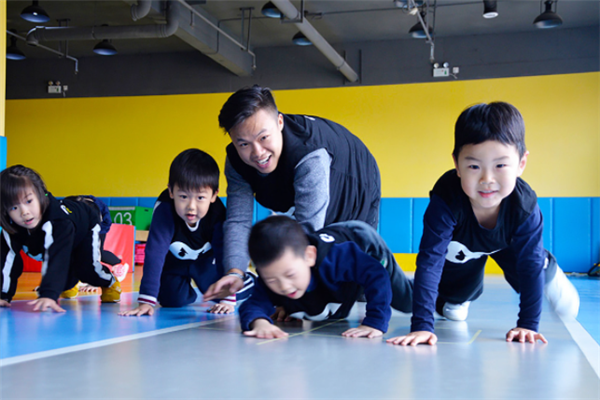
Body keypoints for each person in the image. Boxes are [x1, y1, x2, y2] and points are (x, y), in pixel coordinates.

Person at [387, 102, 580, 346]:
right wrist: (422, 326)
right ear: (457, 165)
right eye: (474, 166)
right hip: (463, 247)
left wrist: (528, 325)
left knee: (534, 270)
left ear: (521, 163)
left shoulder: (523, 207)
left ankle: (549, 269)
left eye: (500, 165)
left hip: (509, 243)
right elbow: (430, 261)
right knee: (451, 305)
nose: (487, 179)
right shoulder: (446, 201)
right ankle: (456, 299)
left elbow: (529, 265)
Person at [204, 85, 381, 302]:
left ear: (280, 122)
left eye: (263, 137)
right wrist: (235, 272)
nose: (257, 152)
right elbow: (238, 220)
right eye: (244, 144)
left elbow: (309, 228)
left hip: (356, 174)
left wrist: (288, 300)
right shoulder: (236, 161)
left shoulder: (310, 156)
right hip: (312, 171)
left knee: (351, 279)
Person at [119, 149, 254, 317]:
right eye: (183, 196)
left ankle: (249, 280)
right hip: (175, 263)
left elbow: (222, 252)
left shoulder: (217, 214)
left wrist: (228, 298)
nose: (191, 206)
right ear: (171, 191)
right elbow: (155, 252)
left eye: (200, 198)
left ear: (214, 195)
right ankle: (185, 291)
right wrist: (146, 301)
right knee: (171, 300)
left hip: (206, 263)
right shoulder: (165, 209)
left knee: (217, 293)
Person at [238, 215, 413, 339]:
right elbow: (253, 304)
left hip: (363, 242)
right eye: (271, 280)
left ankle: (428, 282)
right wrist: (260, 322)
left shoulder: (335, 260)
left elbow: (376, 275)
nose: (283, 286)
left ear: (309, 256)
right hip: (330, 253)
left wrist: (374, 322)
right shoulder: (276, 273)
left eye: (290, 275)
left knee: (406, 301)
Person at [0, 165, 121, 311]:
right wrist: (3, 295)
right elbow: (6, 261)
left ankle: (110, 282)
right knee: (65, 283)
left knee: (88, 270)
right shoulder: (12, 226)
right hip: (64, 234)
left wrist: (49, 294)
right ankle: (70, 283)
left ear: (41, 194)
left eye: (29, 201)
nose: (24, 212)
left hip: (86, 223)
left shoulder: (57, 221)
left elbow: (58, 257)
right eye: (14, 208)